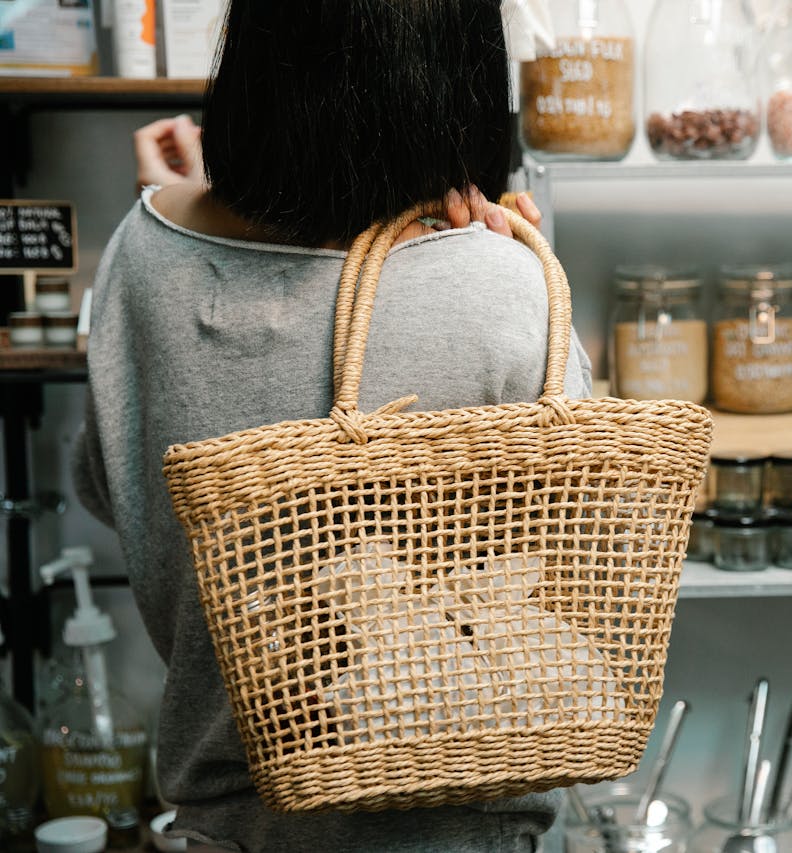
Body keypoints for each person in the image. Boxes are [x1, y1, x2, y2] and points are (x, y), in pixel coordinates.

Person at [73, 1, 591, 850]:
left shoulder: (140, 253)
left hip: (224, 829)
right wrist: (523, 274)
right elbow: (576, 558)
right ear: (456, 66)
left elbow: (110, 488)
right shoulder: (503, 286)